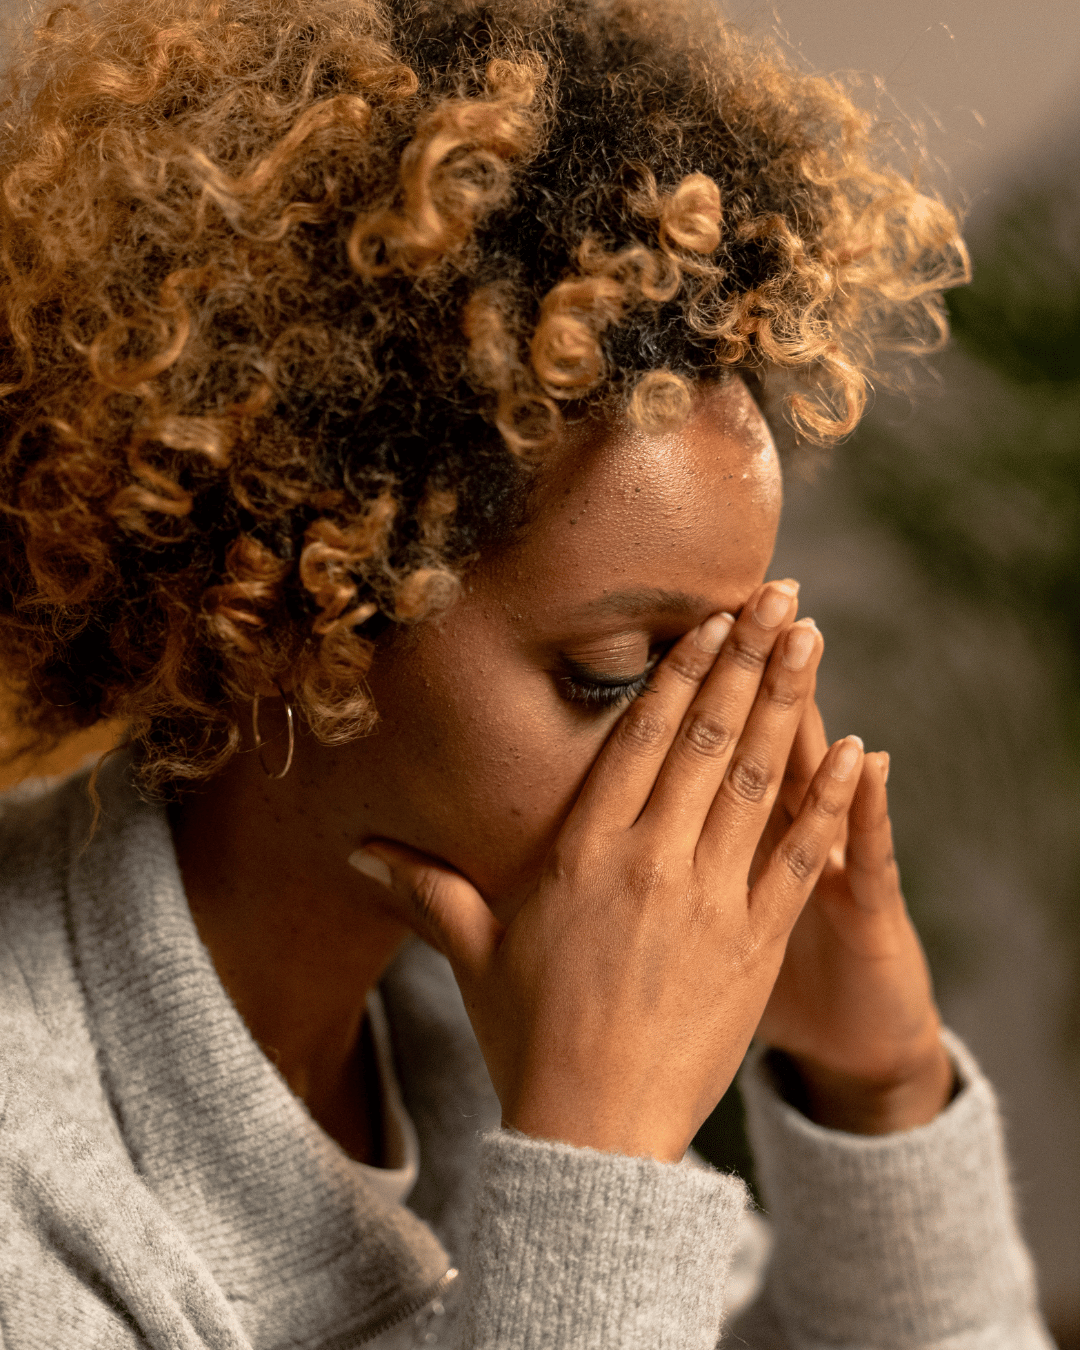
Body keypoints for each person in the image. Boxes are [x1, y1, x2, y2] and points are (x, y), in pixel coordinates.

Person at [0, 0, 1054, 1345]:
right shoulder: (33, 1182)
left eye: (735, 659)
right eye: (616, 672)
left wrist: (877, 1082)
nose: (711, 758)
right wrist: (596, 1161)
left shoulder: (463, 1003)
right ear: (289, 607)